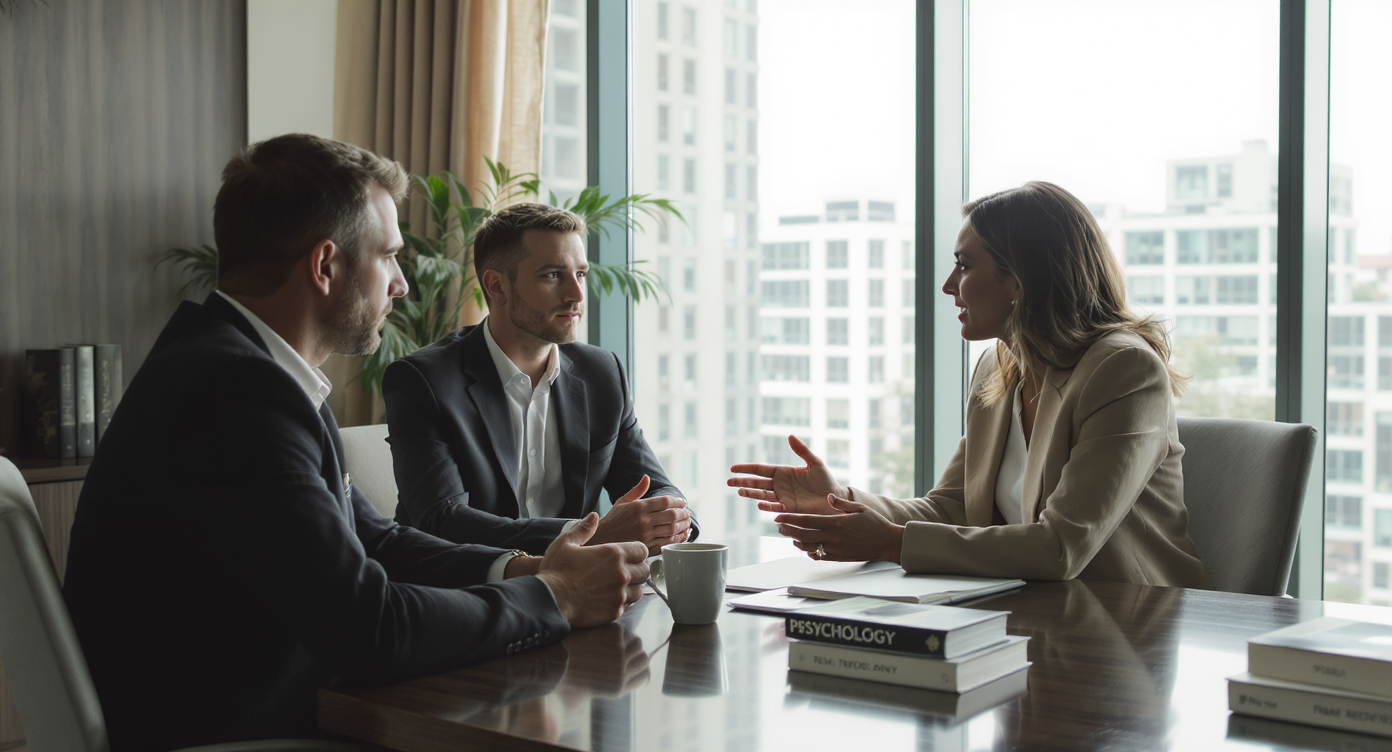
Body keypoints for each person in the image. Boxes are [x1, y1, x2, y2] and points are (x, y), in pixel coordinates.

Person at [62, 134, 650, 752]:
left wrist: (524, 566)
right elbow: (373, 630)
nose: (401, 284)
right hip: (226, 733)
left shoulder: (248, 369)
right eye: (389, 256)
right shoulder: (235, 394)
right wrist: (555, 596)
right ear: (325, 266)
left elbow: (373, 537)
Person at [729, 181, 1213, 588]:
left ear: (1018, 279)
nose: (947, 285)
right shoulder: (998, 366)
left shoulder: (1124, 370)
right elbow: (951, 507)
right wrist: (843, 501)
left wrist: (889, 543)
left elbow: (1060, 546)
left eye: (964, 265)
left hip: (1131, 630)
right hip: (1029, 620)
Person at [382, 202, 694, 556]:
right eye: (552, 275)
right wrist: (591, 533)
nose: (576, 295)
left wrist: (671, 517)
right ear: (497, 287)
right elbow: (441, 520)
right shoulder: (423, 381)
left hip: (582, 593)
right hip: (467, 594)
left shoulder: (602, 372)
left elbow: (654, 486)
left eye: (580, 274)